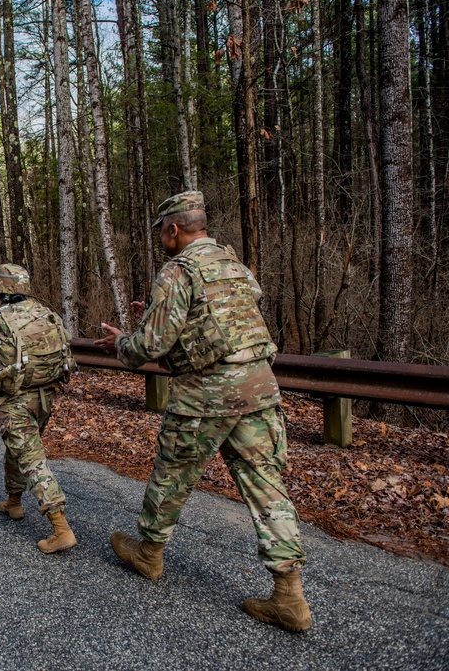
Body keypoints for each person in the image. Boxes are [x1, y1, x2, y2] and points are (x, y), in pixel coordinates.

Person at [95, 191, 312, 632]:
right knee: (267, 488)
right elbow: (227, 315)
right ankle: (290, 596)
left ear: (174, 229)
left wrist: (121, 341)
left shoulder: (177, 271)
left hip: (206, 395)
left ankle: (149, 553)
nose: (160, 238)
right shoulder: (234, 265)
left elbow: (148, 348)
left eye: (162, 231)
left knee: (172, 474)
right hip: (258, 389)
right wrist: (159, 312)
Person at [0, 264, 79, 554]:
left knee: (31, 458)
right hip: (44, 397)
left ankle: (60, 528)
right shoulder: (45, 313)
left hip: (13, 401)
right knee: (19, 449)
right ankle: (13, 502)